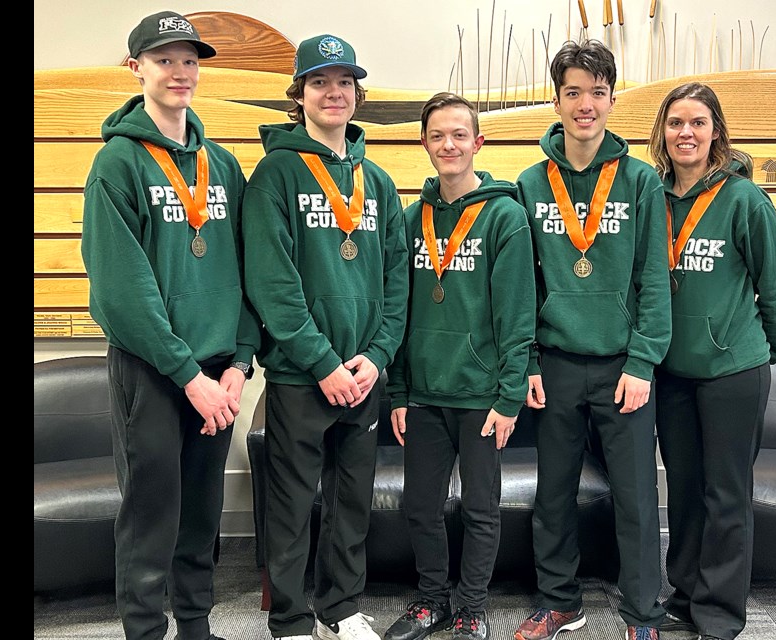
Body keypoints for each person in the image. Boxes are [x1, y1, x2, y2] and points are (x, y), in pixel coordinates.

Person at [80, 10, 259, 640]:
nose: (179, 72)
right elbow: (122, 291)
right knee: (152, 509)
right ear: (136, 69)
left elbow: (247, 274)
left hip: (218, 372)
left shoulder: (224, 166)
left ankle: (195, 623)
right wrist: (188, 375)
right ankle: (145, 629)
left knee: (202, 509)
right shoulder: (117, 164)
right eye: (164, 60)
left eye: (189, 60)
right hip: (155, 369)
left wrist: (238, 363)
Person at [241, 34, 409, 640]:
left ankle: (342, 607)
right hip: (300, 375)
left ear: (357, 94)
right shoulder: (276, 174)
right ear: (300, 95)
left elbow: (397, 280)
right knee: (289, 506)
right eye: (320, 82)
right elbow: (272, 282)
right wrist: (321, 362)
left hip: (364, 374)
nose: (333, 92)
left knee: (351, 502)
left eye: (344, 82)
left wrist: (376, 357)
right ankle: (289, 619)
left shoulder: (380, 182)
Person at [513, 39, 671, 640]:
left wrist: (643, 359)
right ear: (556, 99)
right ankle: (560, 602)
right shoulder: (529, 184)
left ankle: (642, 615)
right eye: (573, 92)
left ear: (611, 100)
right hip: (554, 362)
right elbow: (523, 285)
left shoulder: (640, 182)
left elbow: (653, 280)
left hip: (623, 368)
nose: (585, 105)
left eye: (597, 93)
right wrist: (528, 358)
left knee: (634, 498)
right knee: (553, 496)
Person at [383, 92, 536, 640]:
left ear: (478, 142)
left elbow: (518, 317)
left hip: (481, 396)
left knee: (480, 509)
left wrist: (508, 398)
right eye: (437, 136)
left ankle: (472, 605)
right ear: (423, 143)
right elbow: (395, 312)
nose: (448, 145)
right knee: (421, 508)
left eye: (458, 135)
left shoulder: (506, 217)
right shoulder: (408, 220)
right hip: (423, 393)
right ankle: (431, 601)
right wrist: (398, 392)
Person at [647, 82, 776, 640]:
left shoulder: (743, 199)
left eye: (698, 123)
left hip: (733, 370)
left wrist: (763, 350)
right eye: (675, 122)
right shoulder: (653, 196)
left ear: (716, 132)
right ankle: (685, 592)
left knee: (726, 493)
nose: (686, 133)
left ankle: (720, 610)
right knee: (682, 490)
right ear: (662, 132)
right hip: (672, 371)